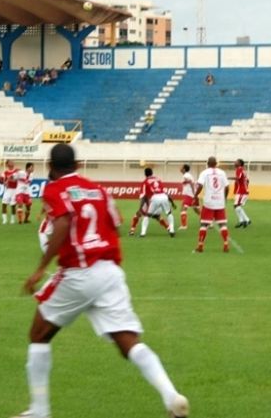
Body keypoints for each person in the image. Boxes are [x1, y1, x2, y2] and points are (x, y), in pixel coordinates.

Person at [13, 143, 189, 418]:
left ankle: (39, 411)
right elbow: (115, 226)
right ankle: (171, 396)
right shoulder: (98, 189)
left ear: (50, 167)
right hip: (109, 272)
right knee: (128, 341)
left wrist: (40, 268)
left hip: (78, 271)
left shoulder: (54, 189)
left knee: (38, 335)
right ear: (77, 165)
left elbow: (62, 222)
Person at [193, 156, 230, 252]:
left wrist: (195, 195)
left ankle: (200, 245)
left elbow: (200, 185)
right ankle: (226, 243)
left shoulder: (204, 173)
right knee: (222, 224)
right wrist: (225, 197)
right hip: (220, 201)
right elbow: (227, 187)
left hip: (209, 201)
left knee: (204, 224)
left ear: (207, 163)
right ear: (216, 164)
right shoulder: (222, 173)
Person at [138, 168, 175, 237]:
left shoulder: (145, 182)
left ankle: (143, 233)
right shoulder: (158, 179)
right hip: (164, 197)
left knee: (147, 215)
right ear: (152, 173)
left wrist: (140, 208)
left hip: (155, 197)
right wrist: (172, 202)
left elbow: (143, 197)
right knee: (169, 213)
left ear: (145, 174)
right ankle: (172, 230)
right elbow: (165, 192)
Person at [0, 160, 20, 224]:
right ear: (7, 164)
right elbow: (1, 182)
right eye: (10, 162)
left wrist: (10, 179)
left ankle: (12, 219)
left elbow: (20, 176)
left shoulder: (17, 170)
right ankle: (4, 220)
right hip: (8, 190)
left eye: (12, 162)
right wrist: (0, 178)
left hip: (15, 190)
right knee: (4, 204)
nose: (12, 163)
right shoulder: (5, 172)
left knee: (13, 205)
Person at [178, 164, 200, 230]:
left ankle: (184, 225)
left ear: (184, 169)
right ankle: (208, 222)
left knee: (183, 209)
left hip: (190, 194)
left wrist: (193, 194)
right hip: (192, 194)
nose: (180, 168)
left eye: (181, 167)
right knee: (196, 210)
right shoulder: (188, 175)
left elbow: (191, 183)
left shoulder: (186, 175)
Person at [232, 159, 252, 228]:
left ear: (240, 163)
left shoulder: (239, 169)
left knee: (237, 206)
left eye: (236, 162)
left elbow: (238, 178)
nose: (234, 162)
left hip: (242, 191)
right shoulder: (243, 170)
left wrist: (227, 178)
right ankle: (242, 221)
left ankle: (246, 220)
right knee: (236, 206)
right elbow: (247, 181)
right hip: (242, 191)